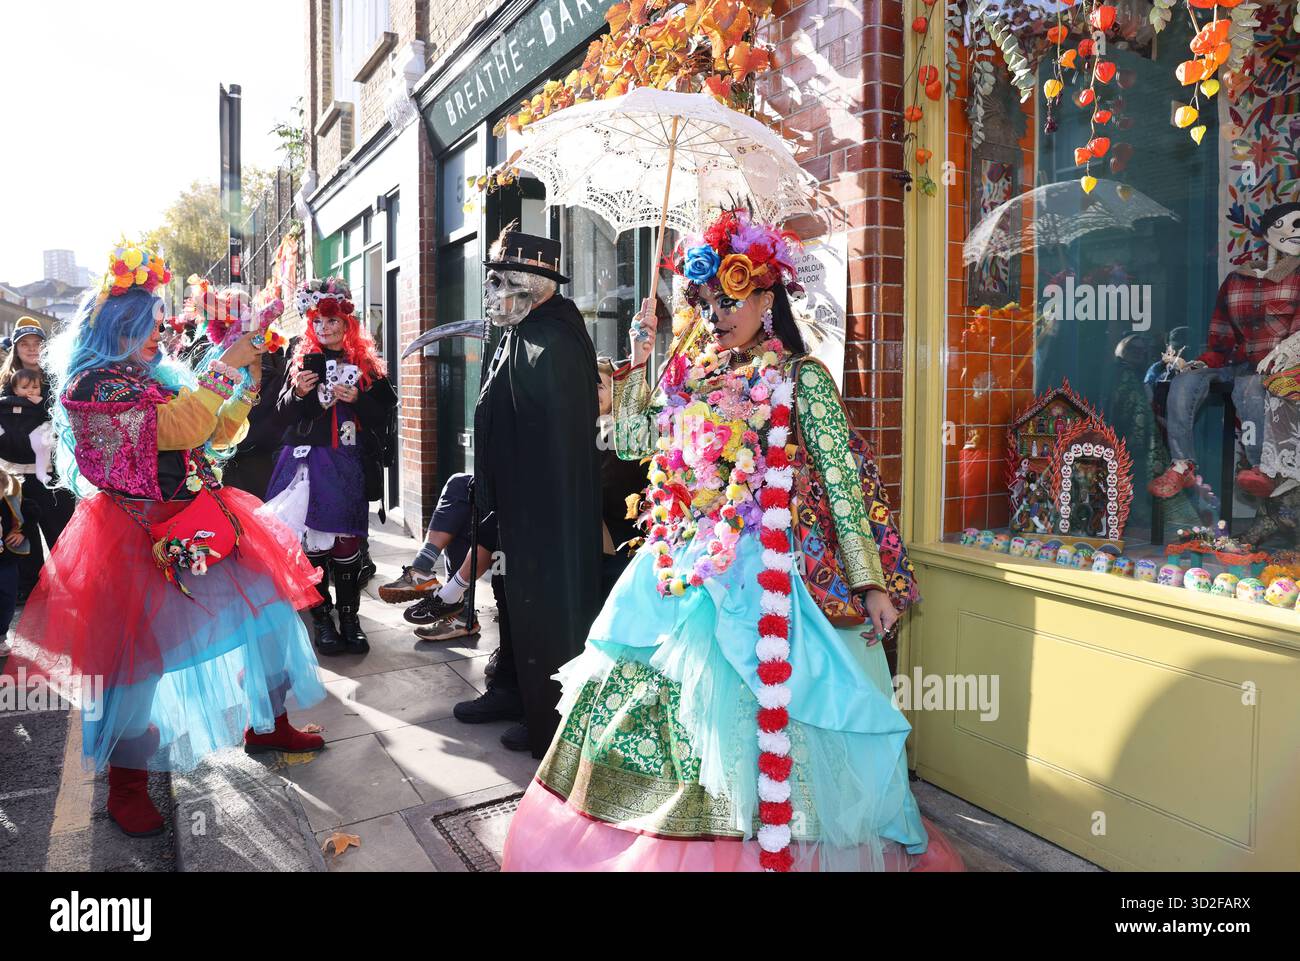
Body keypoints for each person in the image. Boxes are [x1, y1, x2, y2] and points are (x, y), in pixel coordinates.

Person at [501, 209, 962, 872]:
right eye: (707, 301)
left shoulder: (803, 379)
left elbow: (841, 483)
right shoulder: (692, 375)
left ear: (767, 298)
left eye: (731, 299)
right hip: (687, 566)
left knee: (778, 729)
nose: (716, 314)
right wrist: (638, 374)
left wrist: (870, 584)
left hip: (772, 573)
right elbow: (637, 448)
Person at [5, 242, 327, 838]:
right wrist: (226, 365)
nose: (157, 333)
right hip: (134, 535)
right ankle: (126, 784)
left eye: (157, 323)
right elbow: (179, 424)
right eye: (146, 324)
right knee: (136, 664)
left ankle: (268, 721)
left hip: (204, 519)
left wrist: (245, 381)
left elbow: (213, 431)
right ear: (116, 327)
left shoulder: (152, 374)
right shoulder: (93, 385)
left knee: (272, 613)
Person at [451, 228, 603, 757]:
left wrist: (524, 511)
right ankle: (513, 690)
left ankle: (549, 718)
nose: (490, 294)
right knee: (512, 602)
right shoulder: (523, 330)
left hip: (542, 513)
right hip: (511, 505)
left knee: (543, 607)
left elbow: (555, 444)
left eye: (501, 281)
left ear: (534, 285)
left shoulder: (553, 343)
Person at [262, 277, 397, 657]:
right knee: (313, 545)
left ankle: (350, 619)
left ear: (348, 324)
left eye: (333, 323)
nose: (325, 330)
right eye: (318, 323)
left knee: (347, 541)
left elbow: (385, 412)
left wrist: (358, 399)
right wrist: (301, 393)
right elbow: (281, 415)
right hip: (308, 463)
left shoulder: (366, 364)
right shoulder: (300, 360)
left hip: (349, 464)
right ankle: (322, 619)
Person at [0, 316, 75, 600]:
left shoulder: (58, 377)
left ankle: (74, 585)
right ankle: (29, 590)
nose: (32, 349)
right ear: (16, 349)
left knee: (62, 531)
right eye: (25, 344)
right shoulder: (6, 384)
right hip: (15, 475)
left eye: (37, 344)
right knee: (23, 533)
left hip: (54, 472)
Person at [597, 355, 650, 598]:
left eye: (599, 385)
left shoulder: (622, 434)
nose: (591, 391)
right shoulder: (582, 429)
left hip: (626, 537)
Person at [0, 468, 30, 657]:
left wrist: (21, 531)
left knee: (7, 598)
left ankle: (1, 635)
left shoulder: (11, 500)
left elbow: (33, 511)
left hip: (6, 562)